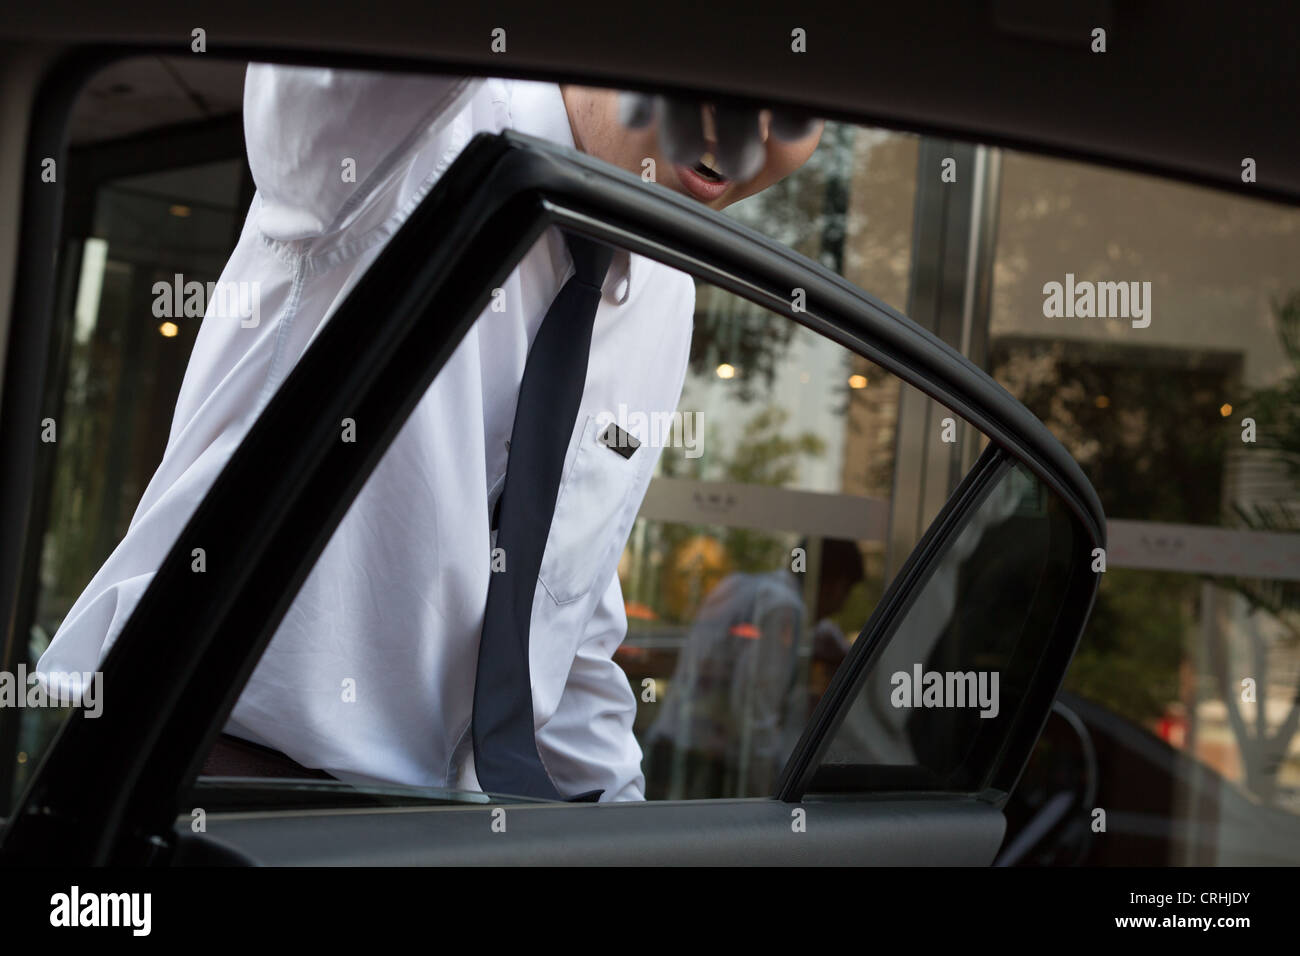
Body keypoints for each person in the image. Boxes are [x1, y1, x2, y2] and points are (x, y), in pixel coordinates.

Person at [36, 64, 823, 801]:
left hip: (441, 824)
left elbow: (566, 630)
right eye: (730, 52)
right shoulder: (402, 123)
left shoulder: (663, 291)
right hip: (213, 784)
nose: (755, 127)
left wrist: (624, 827)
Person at [644, 538, 864, 799]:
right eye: (845, 594)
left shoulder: (742, 586)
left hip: (670, 745)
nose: (841, 607)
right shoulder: (784, 609)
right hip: (704, 765)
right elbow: (754, 707)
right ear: (836, 587)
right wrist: (772, 788)